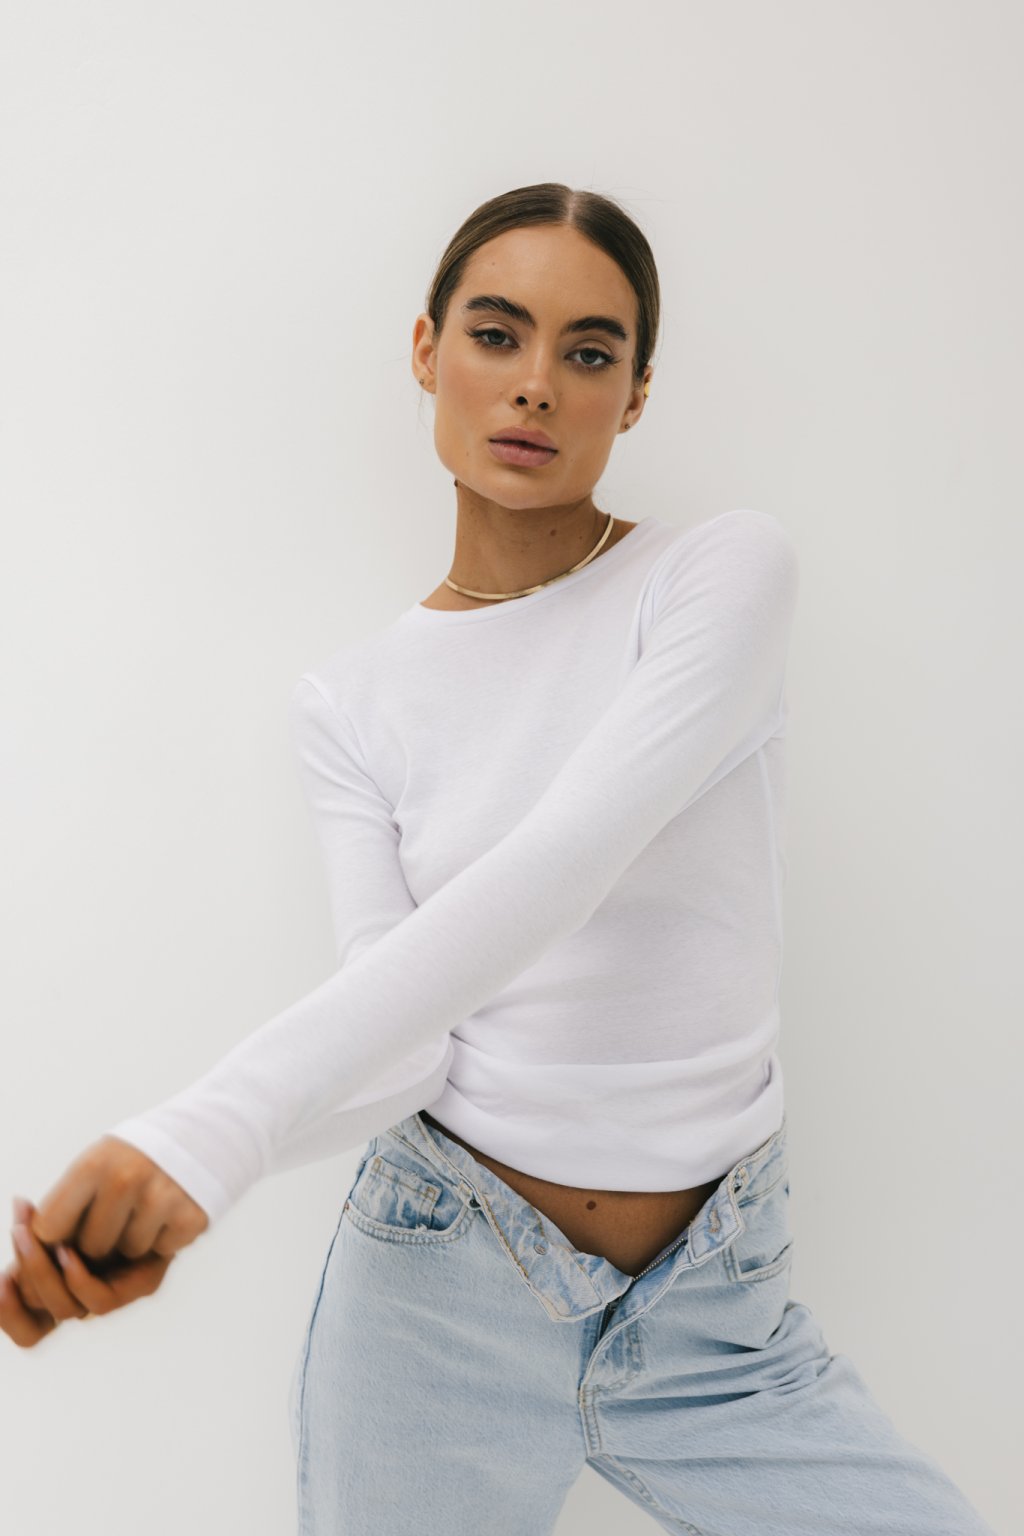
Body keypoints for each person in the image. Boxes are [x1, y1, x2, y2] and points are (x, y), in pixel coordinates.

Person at [2, 183, 995, 1535]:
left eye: (589, 352)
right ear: (427, 352)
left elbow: (569, 858)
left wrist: (203, 1135)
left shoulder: (717, 576)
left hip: (718, 1316)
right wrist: (196, 1186)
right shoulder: (352, 703)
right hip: (438, 1300)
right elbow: (406, 1049)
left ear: (636, 396)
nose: (536, 383)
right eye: (495, 333)